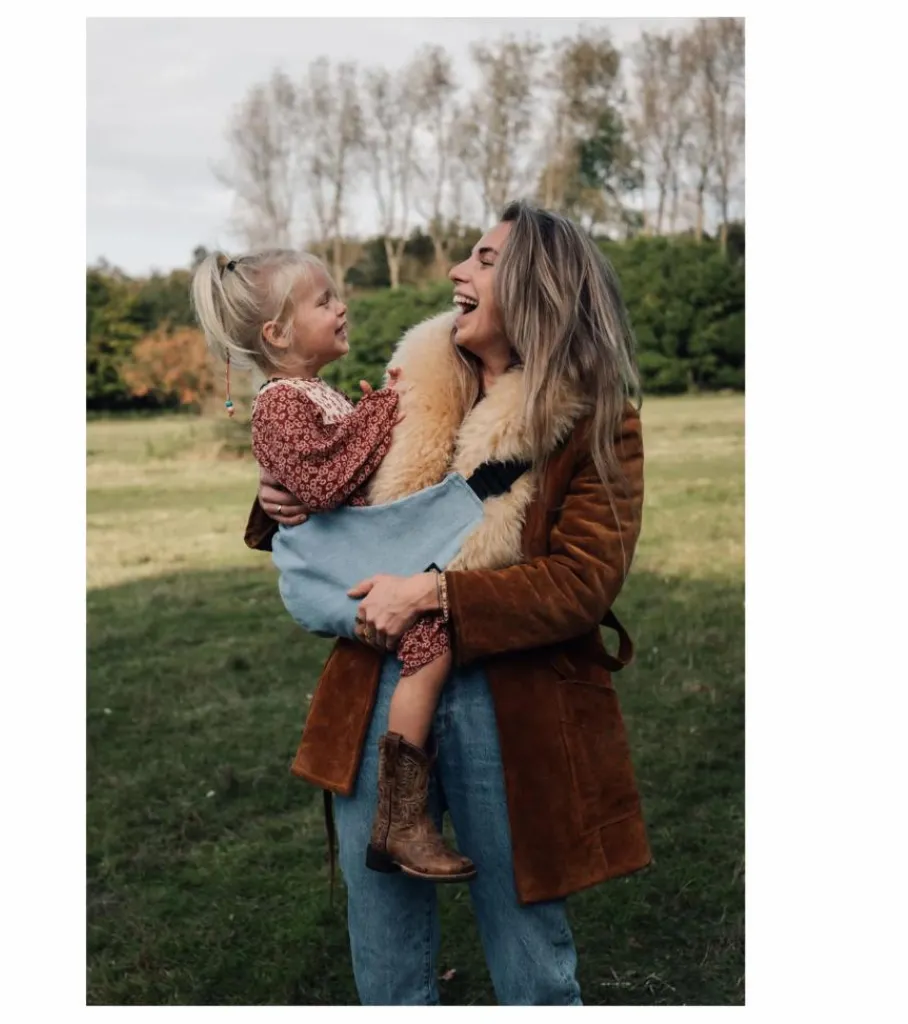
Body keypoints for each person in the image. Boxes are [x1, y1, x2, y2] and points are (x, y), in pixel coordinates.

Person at [245, 200, 651, 1006]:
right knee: (385, 945)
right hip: (376, 687)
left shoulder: (600, 422)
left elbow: (582, 583)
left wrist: (434, 592)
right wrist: (272, 497)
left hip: (515, 704)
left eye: (484, 260)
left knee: (529, 948)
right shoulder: (414, 387)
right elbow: (343, 500)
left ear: (538, 287)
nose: (458, 272)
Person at [191, 248, 477, 883]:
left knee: (432, 644)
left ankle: (404, 816)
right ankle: (401, 819)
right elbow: (324, 483)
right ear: (277, 334)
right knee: (431, 646)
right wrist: (384, 410)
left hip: (368, 554)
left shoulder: (310, 394)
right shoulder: (279, 403)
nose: (341, 307)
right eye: (324, 301)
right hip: (353, 569)